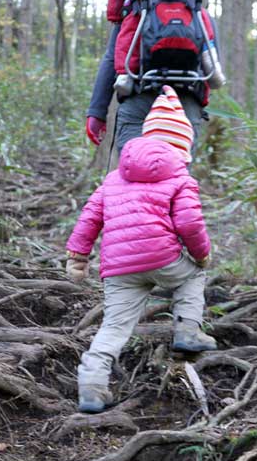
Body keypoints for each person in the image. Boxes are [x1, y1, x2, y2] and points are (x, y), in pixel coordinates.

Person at [67, 86, 217, 413]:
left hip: (119, 268)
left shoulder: (114, 177)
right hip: (163, 258)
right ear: (182, 144)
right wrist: (201, 254)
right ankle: (188, 330)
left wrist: (78, 257)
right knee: (192, 277)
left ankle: (92, 386)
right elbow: (190, 224)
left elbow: (90, 217)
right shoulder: (180, 175)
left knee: (114, 327)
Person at [85, 0, 217, 157]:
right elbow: (212, 71)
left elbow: (111, 57)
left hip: (139, 99)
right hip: (185, 106)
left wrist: (97, 112)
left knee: (133, 176)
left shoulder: (136, 14)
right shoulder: (199, 16)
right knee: (175, 180)